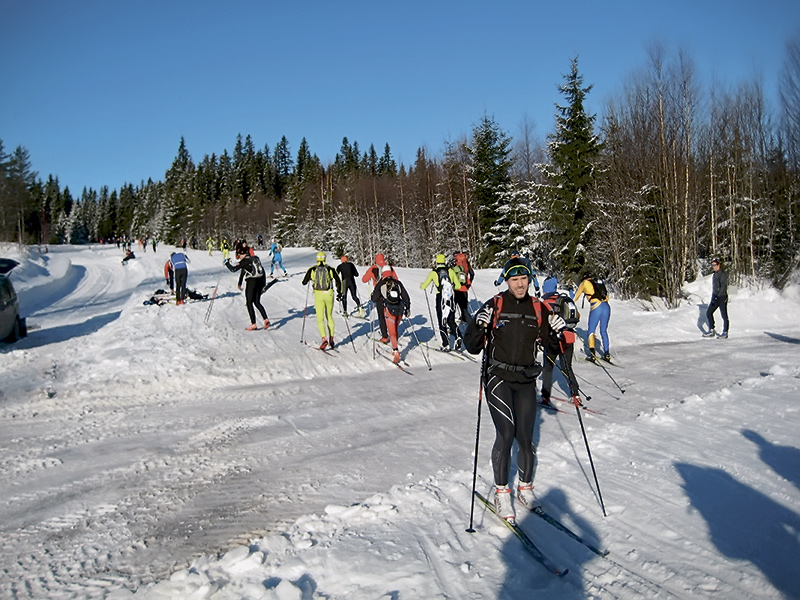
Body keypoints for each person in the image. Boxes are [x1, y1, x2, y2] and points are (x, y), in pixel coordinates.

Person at [464, 257, 566, 522]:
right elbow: (472, 347)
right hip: (497, 378)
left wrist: (557, 333)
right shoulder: (495, 305)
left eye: (524, 279)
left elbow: (553, 350)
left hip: (526, 380)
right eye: (514, 280)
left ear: (530, 279)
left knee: (526, 438)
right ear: (506, 280)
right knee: (506, 433)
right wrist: (478, 325)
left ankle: (525, 489)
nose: (520, 285)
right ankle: (501, 492)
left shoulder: (539, 308)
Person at [540, 276, 580, 405]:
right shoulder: (563, 300)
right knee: (567, 367)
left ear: (545, 289)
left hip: (553, 340)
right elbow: (577, 316)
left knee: (548, 368)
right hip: (568, 338)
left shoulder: (544, 303)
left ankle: (545, 397)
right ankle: (576, 395)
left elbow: (541, 323)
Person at [420, 254, 462, 351]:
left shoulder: (434, 273)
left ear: (437, 262)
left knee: (441, 320)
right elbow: (459, 286)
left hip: (440, 297)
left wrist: (422, 285)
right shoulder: (450, 271)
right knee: (451, 320)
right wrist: (451, 288)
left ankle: (446, 344)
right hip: (450, 297)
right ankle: (458, 336)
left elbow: (424, 286)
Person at [302, 252, 342, 349]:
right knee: (329, 316)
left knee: (320, 318)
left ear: (317, 259)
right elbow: (338, 281)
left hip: (318, 294)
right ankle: (331, 338)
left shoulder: (312, 269)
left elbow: (304, 282)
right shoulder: (330, 269)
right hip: (329, 294)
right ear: (324, 259)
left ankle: (324, 338)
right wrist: (340, 293)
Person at [225, 243, 269, 330]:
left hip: (251, 281)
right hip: (260, 280)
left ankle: (253, 324)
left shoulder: (245, 261)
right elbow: (262, 271)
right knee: (257, 302)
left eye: (240, 255)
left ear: (243, 254)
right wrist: (263, 285)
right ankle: (266, 319)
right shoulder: (255, 258)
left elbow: (233, 269)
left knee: (249, 302)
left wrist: (226, 263)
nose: (239, 257)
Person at [371, 265, 411, 363]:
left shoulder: (381, 283)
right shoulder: (397, 283)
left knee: (391, 331)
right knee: (395, 329)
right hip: (400, 309)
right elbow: (406, 297)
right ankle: (394, 348)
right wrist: (408, 308)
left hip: (389, 310)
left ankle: (395, 350)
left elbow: (374, 298)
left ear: (383, 273)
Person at [574, 275, 611, 361]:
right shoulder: (598, 283)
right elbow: (607, 297)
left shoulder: (584, 283)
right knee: (603, 330)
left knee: (591, 331)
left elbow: (575, 297)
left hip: (596, 307)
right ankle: (607, 353)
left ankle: (592, 354)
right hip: (606, 306)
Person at [362, 253, 396, 341]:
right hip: (389, 293)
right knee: (389, 314)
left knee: (381, 315)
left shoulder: (373, 268)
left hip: (379, 293)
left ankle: (385, 336)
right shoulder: (389, 267)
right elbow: (396, 279)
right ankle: (392, 332)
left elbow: (364, 279)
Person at [704, 258, 729, 338]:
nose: (713, 267)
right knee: (709, 312)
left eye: (715, 265)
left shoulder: (722, 274)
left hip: (721, 297)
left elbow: (723, 287)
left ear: (719, 265)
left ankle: (725, 332)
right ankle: (711, 330)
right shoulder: (714, 274)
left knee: (724, 315)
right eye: (712, 265)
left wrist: (718, 296)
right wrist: (714, 296)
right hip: (715, 297)